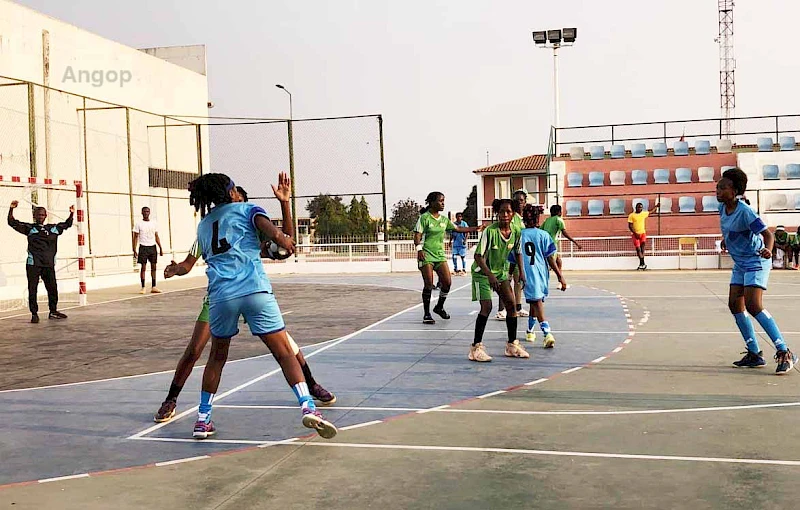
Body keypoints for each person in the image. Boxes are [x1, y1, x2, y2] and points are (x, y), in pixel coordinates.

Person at [153, 184, 335, 423]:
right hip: (246, 291)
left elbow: (277, 245)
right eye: (234, 191)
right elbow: (284, 242)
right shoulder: (245, 215)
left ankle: (311, 385)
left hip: (223, 296)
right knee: (197, 349)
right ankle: (171, 399)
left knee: (229, 354)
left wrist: (280, 226)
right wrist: (177, 268)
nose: (236, 194)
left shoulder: (209, 224)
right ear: (230, 195)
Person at [717, 167, 797, 374]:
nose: (717, 190)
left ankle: (784, 351)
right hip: (740, 263)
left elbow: (767, 235)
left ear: (734, 190)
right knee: (735, 305)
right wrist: (727, 239)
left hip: (756, 261)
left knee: (753, 305)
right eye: (717, 187)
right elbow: (731, 229)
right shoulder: (722, 209)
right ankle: (754, 353)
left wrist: (768, 251)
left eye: (723, 188)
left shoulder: (746, 211)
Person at [468, 198, 528, 362]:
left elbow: (518, 252)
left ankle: (512, 345)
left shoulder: (516, 231)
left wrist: (521, 272)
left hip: (500, 273)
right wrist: (490, 275)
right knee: (487, 307)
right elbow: (478, 256)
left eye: (508, 211)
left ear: (513, 213)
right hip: (482, 273)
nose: (505, 214)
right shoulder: (490, 232)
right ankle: (476, 348)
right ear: (497, 213)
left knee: (511, 305)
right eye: (501, 211)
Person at [414, 192, 480, 324]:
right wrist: (419, 249)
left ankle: (439, 307)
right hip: (426, 255)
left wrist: (475, 228)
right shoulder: (424, 218)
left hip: (439, 256)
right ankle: (427, 314)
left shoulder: (444, 220)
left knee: (447, 282)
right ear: (432, 203)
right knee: (428, 285)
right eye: (440, 201)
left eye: (444, 201)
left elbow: (458, 229)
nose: (443, 203)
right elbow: (417, 236)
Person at [7, 201, 73, 323]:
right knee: (33, 289)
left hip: (48, 264)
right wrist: (11, 209)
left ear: (45, 216)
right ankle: (34, 314)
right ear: (34, 216)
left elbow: (67, 224)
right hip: (34, 264)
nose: (40, 217)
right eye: (38, 215)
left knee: (52, 288)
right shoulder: (30, 228)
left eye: (42, 215)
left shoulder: (53, 229)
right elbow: (12, 222)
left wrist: (72, 213)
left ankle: (53, 311)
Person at [518, 204, 568, 347]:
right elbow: (550, 258)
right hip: (541, 273)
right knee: (537, 301)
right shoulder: (544, 235)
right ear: (537, 218)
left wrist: (510, 273)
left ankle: (529, 330)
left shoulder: (519, 235)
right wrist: (560, 276)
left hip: (527, 273)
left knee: (536, 302)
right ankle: (547, 333)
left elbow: (514, 256)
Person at [496, 189, 528, 320]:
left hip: (518, 254)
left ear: (525, 202)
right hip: (508, 255)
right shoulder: (511, 217)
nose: (519, 203)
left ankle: (518, 307)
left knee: (518, 281)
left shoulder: (522, 219)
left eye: (521, 200)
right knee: (505, 281)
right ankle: (501, 309)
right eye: (516, 200)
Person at [132, 206, 164, 294]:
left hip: (152, 247)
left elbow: (156, 236)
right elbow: (135, 237)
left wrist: (160, 247)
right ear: (142, 213)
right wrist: (134, 249)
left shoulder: (154, 223)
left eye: (147, 211)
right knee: (143, 267)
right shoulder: (138, 223)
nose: (146, 213)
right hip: (143, 247)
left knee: (154, 267)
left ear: (149, 213)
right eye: (144, 211)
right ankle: (143, 287)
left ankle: (154, 286)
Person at [540, 204, 582, 271]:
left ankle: (560, 275)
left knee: (558, 260)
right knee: (550, 264)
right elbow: (564, 233)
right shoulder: (559, 219)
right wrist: (575, 242)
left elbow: (540, 230)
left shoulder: (547, 220)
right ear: (559, 212)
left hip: (544, 243)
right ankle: (556, 276)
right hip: (552, 244)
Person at [627, 201, 660, 270]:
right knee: (638, 249)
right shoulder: (631, 215)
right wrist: (635, 233)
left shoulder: (643, 214)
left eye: (641, 208)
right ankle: (643, 263)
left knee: (642, 248)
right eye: (639, 207)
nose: (640, 209)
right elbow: (630, 226)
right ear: (636, 208)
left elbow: (650, 212)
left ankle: (641, 264)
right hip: (635, 234)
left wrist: (656, 207)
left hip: (643, 233)